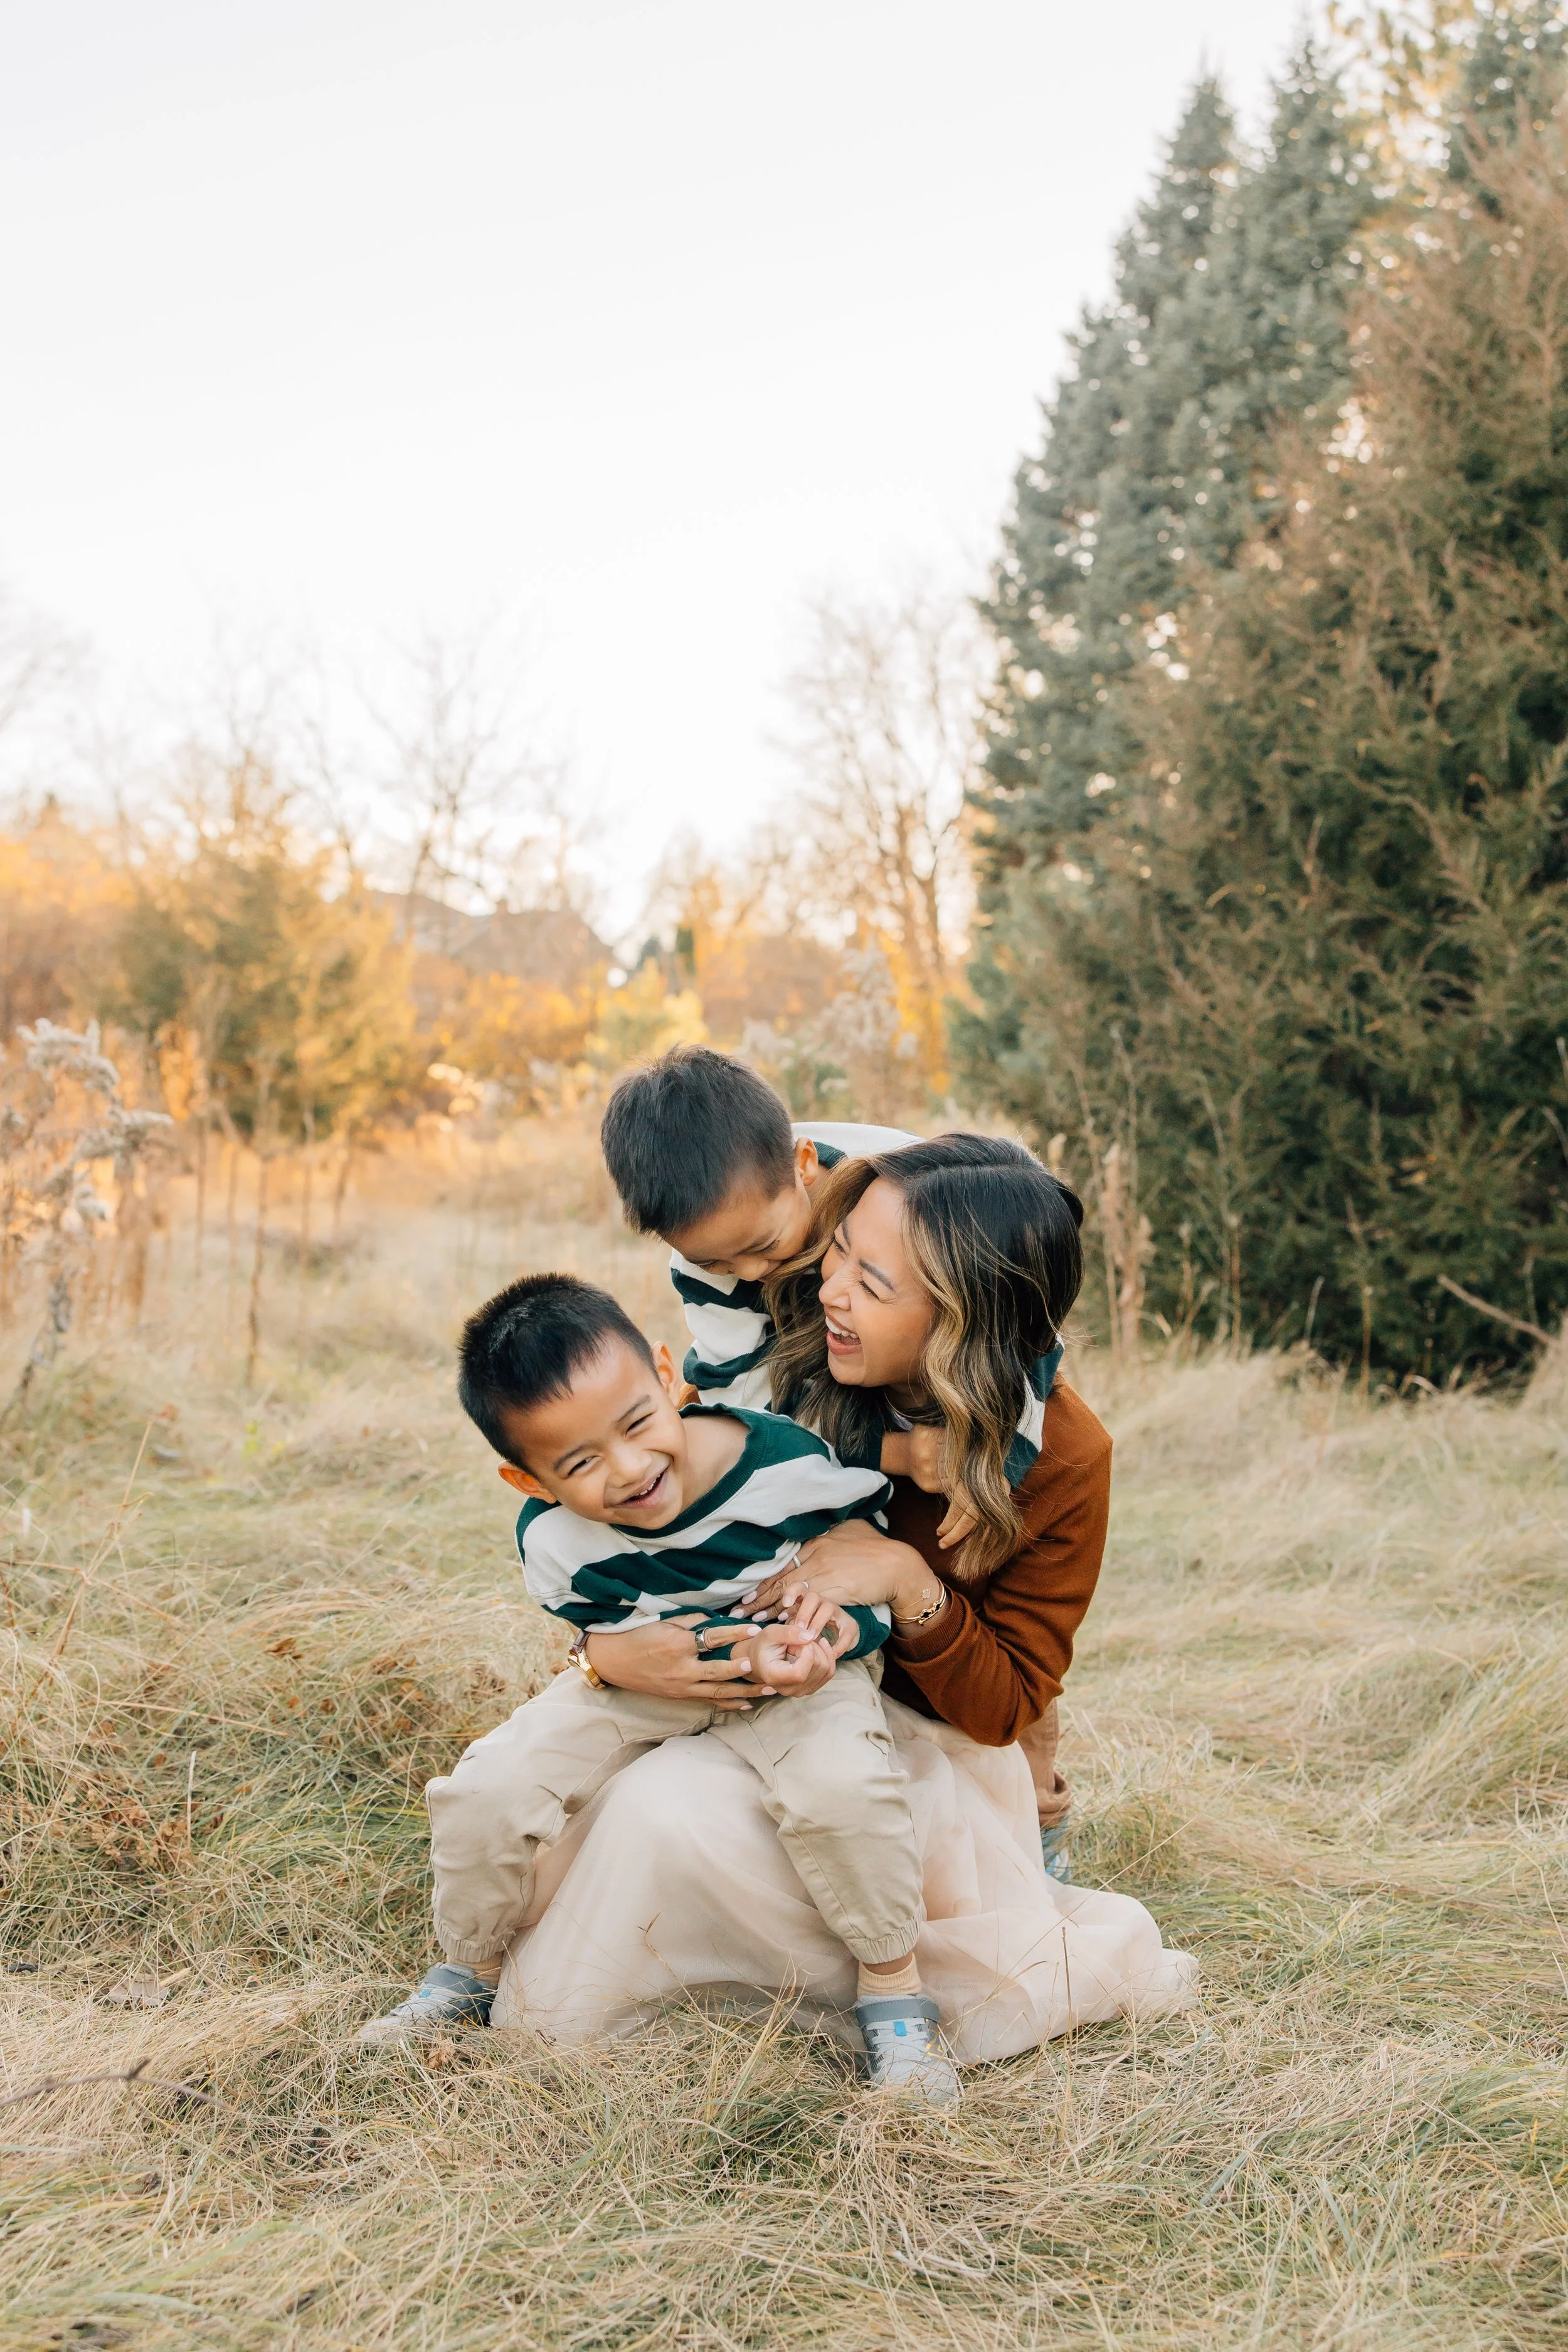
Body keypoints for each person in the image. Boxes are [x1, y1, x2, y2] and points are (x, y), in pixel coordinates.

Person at [487, 1135, 1197, 2058]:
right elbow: (643, 1535)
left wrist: (908, 1582)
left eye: (874, 1281)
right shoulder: (786, 1354)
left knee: (674, 1809)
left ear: (965, 1320)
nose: (828, 1290)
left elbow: (1009, 1704)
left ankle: (859, 1991)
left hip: (901, 1741)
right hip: (725, 1686)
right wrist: (601, 1658)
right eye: (839, 1255)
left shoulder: (1061, 1460)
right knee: (542, 1803)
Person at [359, 1271, 961, 2101]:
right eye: (580, 1462)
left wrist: (829, 1644)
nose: (632, 1466)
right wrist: (605, 1657)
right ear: (532, 1482)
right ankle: (470, 1967)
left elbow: (856, 1577)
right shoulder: (555, 1542)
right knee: (485, 1789)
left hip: (794, 1671)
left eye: (639, 1421)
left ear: (669, 1376)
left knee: (844, 1788)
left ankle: (896, 1995)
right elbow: (594, 1631)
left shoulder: (784, 1466)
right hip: (643, 1678)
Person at [599, 1046, 1061, 1560]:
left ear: (804, 1165)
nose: (750, 1275)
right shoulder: (705, 1263)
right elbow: (751, 1414)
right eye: (717, 1265)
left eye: (763, 1247)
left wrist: (1002, 1460)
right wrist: (895, 1453)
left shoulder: (902, 1186)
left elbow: (1021, 1305)